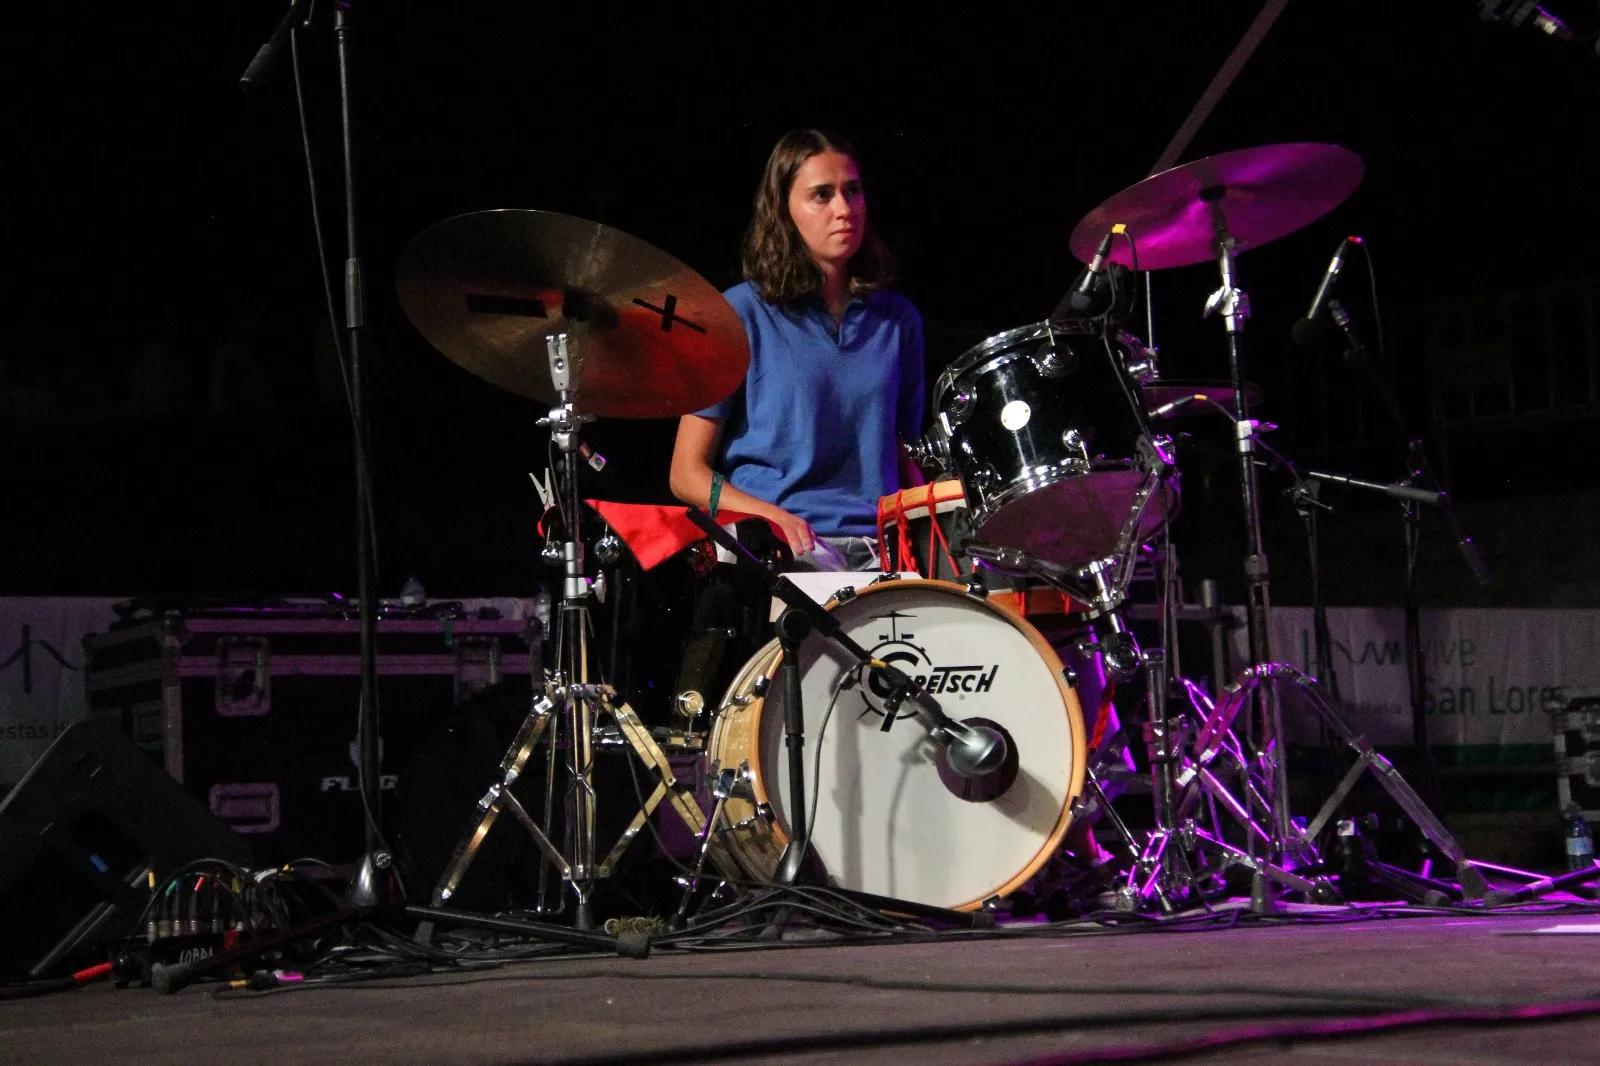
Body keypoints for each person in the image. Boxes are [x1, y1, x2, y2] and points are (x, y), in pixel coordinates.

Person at [669, 129, 925, 572]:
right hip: (778, 549)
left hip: (878, 550)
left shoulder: (898, 321)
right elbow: (686, 473)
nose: (844, 209)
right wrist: (767, 516)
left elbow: (901, 455)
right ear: (783, 212)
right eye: (822, 195)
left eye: (852, 191)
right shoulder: (740, 313)